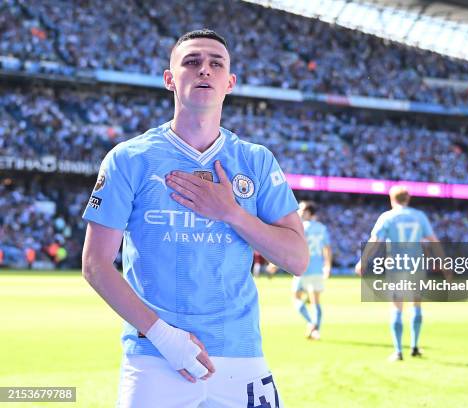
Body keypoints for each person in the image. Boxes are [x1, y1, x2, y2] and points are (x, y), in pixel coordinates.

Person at [81, 29, 308, 408]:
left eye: (215, 64)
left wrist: (232, 213)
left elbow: (298, 259)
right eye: (192, 62)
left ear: (229, 82)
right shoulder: (129, 159)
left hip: (241, 357)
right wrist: (165, 338)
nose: (205, 70)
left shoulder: (256, 160)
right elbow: (95, 264)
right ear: (170, 78)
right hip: (155, 358)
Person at [355, 186, 439, 361]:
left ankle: (398, 350)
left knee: (396, 306)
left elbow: (376, 240)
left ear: (392, 199)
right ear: (408, 199)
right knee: (416, 304)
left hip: (397, 265)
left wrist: (363, 261)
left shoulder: (387, 217)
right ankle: (415, 346)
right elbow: (433, 240)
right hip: (416, 264)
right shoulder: (419, 216)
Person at [292, 201, 332, 340]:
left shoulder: (301, 227)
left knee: (296, 297)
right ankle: (316, 330)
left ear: (309, 213)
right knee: (316, 301)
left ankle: (311, 323)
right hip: (317, 268)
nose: (299, 212)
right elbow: (327, 247)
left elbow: (294, 247)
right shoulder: (322, 228)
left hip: (303, 267)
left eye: (302, 210)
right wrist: (327, 265)